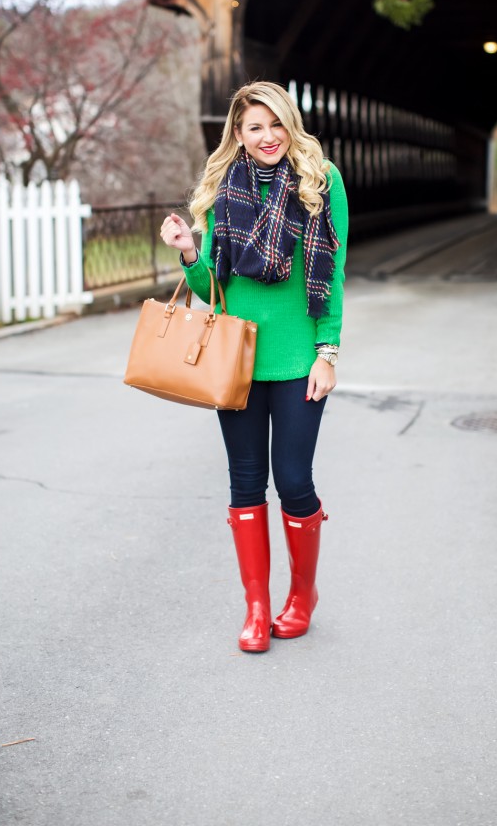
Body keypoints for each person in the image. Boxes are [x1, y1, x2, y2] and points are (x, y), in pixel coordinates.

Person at [160, 81, 348, 653]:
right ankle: (257, 607)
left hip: (297, 360)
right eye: (253, 128)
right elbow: (210, 290)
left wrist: (328, 351)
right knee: (245, 481)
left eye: (274, 124)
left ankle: (303, 595)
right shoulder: (223, 188)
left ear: (290, 124)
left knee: (293, 481)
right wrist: (189, 251)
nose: (266, 137)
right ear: (237, 135)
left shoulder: (322, 180)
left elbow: (333, 270)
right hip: (233, 359)